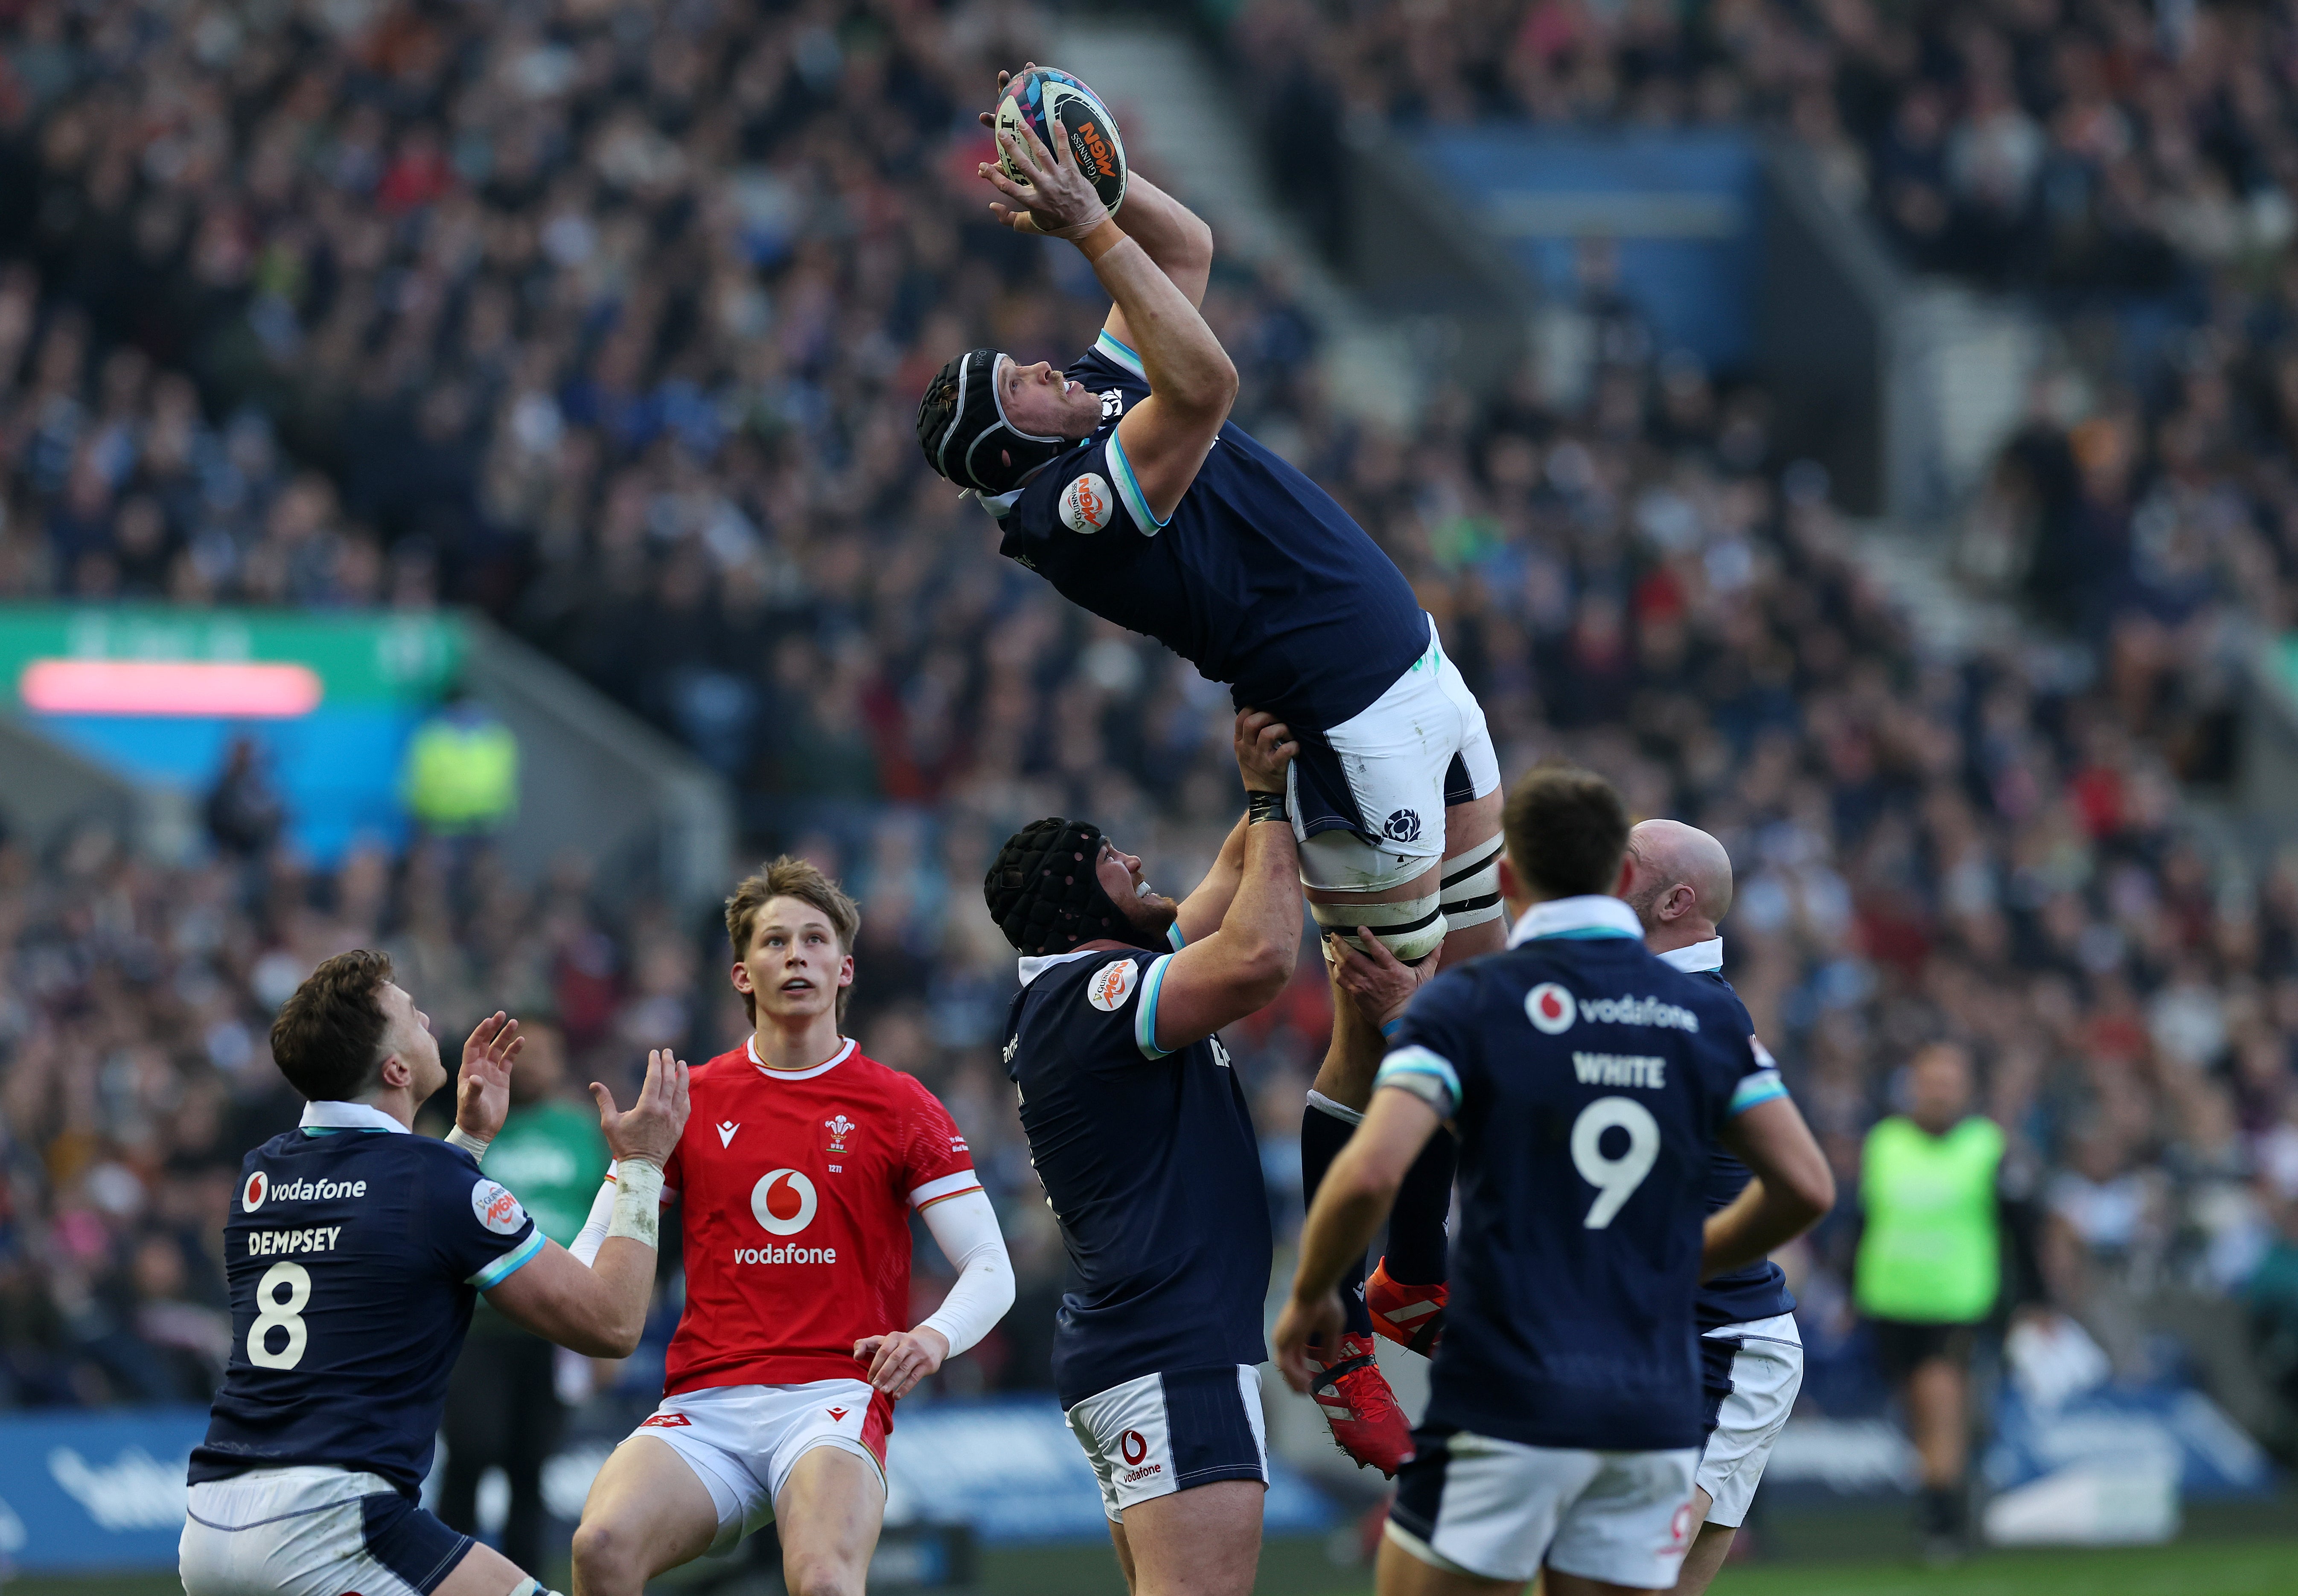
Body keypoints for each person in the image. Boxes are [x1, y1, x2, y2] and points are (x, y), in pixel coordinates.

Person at [922, 66, 1496, 1465]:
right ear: (1007, 443)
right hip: (1344, 725)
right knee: (1390, 1018)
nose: (1052, 367)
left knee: (1474, 985)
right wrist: (1085, 229)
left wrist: (1095, 181)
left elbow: (1187, 250)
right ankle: (1357, 1312)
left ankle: (1415, 1267)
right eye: (1026, 384)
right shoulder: (1067, 505)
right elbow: (1213, 377)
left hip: (1417, 674)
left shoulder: (1098, 404)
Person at [1273, 766, 1836, 1596]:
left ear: (1503, 879)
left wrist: (1316, 1291)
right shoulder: (1702, 1014)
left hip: (1702, 1342)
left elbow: (1407, 1155)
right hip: (1629, 1361)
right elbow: (1804, 1186)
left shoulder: (1517, 1000)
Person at [567, 858, 1014, 1596]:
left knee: (824, 1580)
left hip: (833, 1397)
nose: (797, 955)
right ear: (743, 976)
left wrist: (932, 1338)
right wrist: (571, 1294)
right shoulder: (685, 1099)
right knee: (600, 1548)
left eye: (815, 940)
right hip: (704, 1404)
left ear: (845, 968)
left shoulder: (900, 1105)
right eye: (775, 942)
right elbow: (592, 1247)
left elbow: (991, 1266)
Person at [179, 951, 687, 1596]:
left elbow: (385, 1221)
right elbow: (612, 1322)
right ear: (396, 1070)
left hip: (211, 1517)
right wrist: (640, 1167)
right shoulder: (431, 1182)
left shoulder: (262, 1171)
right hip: (332, 1522)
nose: (429, 1021)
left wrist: (467, 1144)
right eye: (413, 1016)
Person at [985, 709, 1304, 1596]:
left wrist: (1285, 768)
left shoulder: (1075, 995)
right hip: (1172, 1351)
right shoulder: (1094, 998)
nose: (1133, 860)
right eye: (1108, 857)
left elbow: (1230, 875)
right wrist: (1269, 807)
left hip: (1140, 1348)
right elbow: (1262, 958)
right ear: (1079, 904)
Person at [1621, 819, 1805, 1595]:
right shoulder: (1658, 1000)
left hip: (1721, 1347)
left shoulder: (1689, 1010)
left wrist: (1410, 1024)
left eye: (1624, 863)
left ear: (1676, 902)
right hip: (1679, 1343)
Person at [437, 1022, 608, 1574]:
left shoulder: (581, 1131)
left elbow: (608, 1222)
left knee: (531, 1464)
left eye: (546, 1053)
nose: (535, 1064)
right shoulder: (471, 1125)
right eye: (523, 1053)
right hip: (476, 1321)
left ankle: (524, 1578)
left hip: (555, 1323)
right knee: (472, 1448)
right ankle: (448, 1573)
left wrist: (608, 1327)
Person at [1855, 1040, 2004, 1562]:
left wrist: (2030, 1301)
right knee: (1916, 1412)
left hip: (1956, 1300)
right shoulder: (1884, 1142)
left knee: (1940, 1400)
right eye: (1931, 1081)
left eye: (1950, 1082)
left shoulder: (1987, 1145)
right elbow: (1864, 1218)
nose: (1940, 1092)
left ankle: (1942, 1517)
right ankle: (1943, 1498)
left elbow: (2017, 1226)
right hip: (1891, 1297)